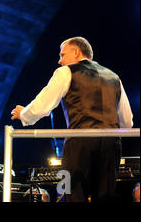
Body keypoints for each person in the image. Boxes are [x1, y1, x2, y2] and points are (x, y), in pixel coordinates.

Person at [11, 37, 133, 202]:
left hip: (80, 143)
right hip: (112, 144)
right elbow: (127, 122)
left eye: (62, 55)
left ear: (76, 52)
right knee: (106, 196)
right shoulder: (114, 77)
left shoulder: (66, 72)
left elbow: (42, 105)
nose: (59, 60)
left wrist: (23, 113)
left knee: (74, 194)